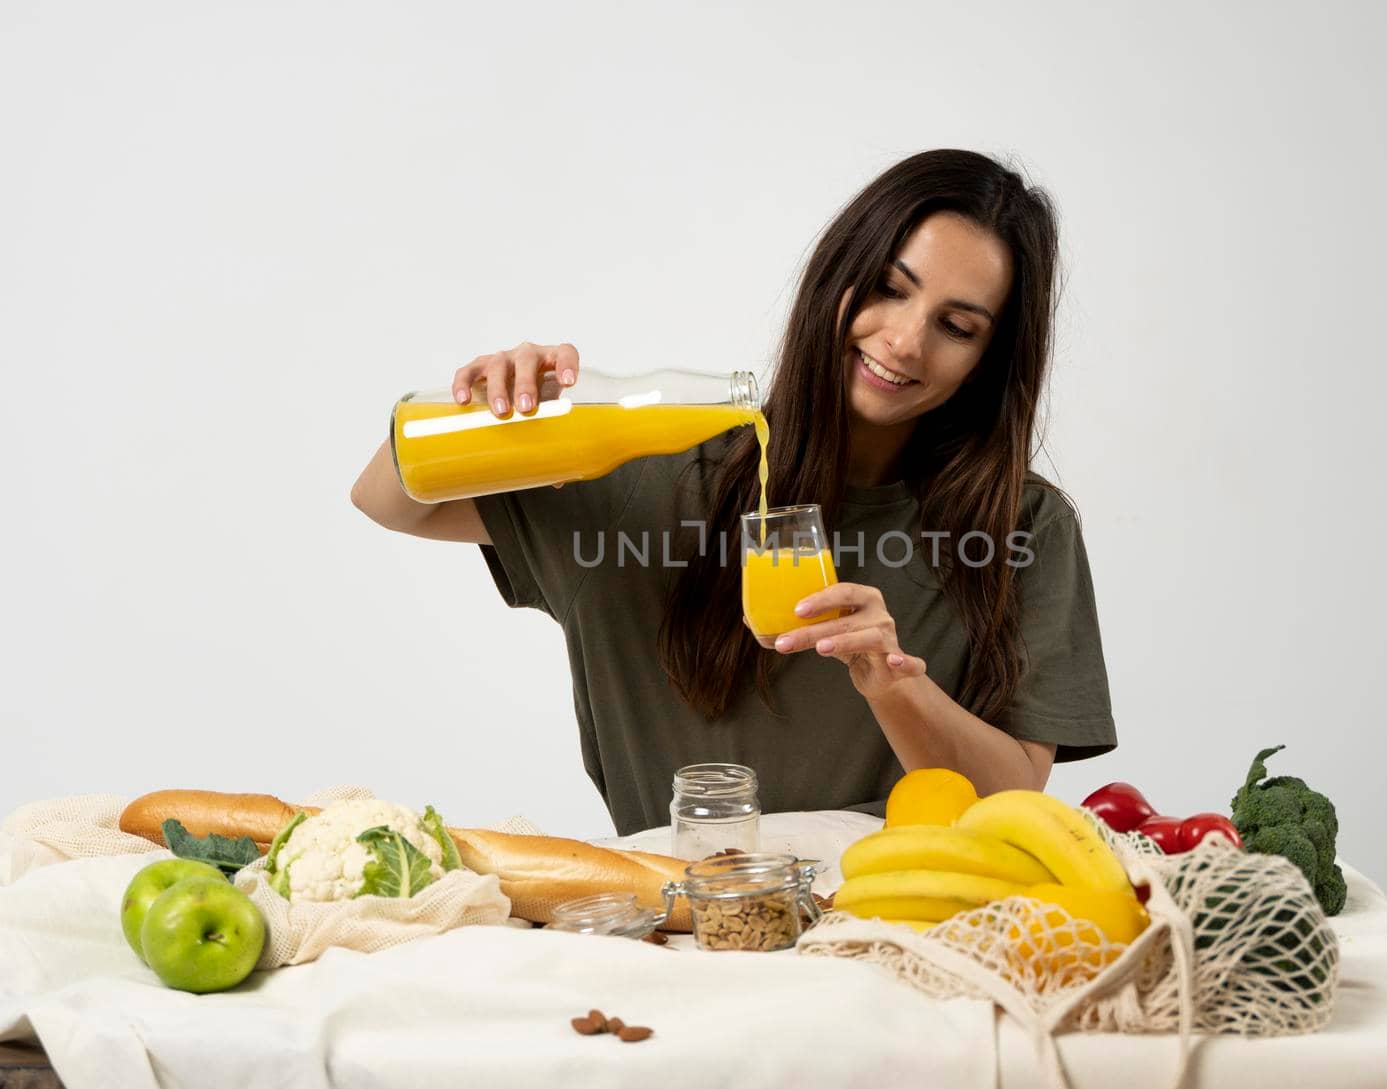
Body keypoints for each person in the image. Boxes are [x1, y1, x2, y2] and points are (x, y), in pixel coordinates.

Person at [351, 149, 1115, 836]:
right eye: (889, 288)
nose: (906, 341)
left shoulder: (1021, 525)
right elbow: (387, 499)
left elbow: (1012, 794)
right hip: (676, 929)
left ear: (987, 359)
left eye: (956, 325)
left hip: (892, 924)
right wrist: (488, 414)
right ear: (835, 279)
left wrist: (893, 682)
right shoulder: (649, 474)